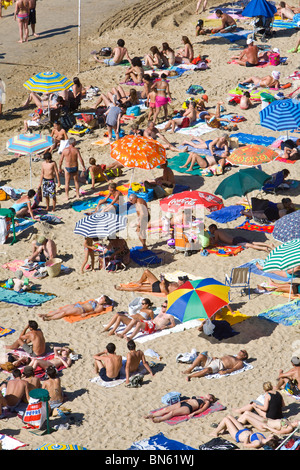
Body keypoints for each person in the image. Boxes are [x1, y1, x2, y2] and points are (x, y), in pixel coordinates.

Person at [210, 414, 279, 449]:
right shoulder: (264, 437)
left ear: (270, 440)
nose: (272, 436)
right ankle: (223, 428)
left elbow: (245, 445)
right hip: (244, 430)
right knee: (229, 416)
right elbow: (272, 434)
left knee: (226, 419)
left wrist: (247, 436)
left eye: (272, 437)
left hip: (238, 435)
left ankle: (215, 432)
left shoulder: (258, 443)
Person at [182, 349, 249, 381]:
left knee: (207, 370)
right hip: (215, 360)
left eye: (243, 352)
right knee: (201, 356)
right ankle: (189, 370)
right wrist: (216, 357)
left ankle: (190, 376)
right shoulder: (233, 356)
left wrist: (225, 372)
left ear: (244, 356)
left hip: (219, 365)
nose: (241, 351)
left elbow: (234, 369)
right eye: (241, 350)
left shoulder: (240, 362)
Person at [145, 394, 216, 422]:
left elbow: (202, 409)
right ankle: (152, 415)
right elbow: (188, 399)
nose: (208, 395)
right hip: (184, 403)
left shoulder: (207, 402)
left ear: (211, 399)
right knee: (166, 409)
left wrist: (193, 413)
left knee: (172, 413)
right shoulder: (199, 397)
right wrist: (181, 401)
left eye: (210, 395)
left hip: (189, 407)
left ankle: (159, 419)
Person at [38, 295, 113, 321]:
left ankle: (49, 318)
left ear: (104, 302)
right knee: (60, 309)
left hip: (81, 310)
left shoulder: (100, 307)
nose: (100, 298)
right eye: (101, 297)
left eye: (102, 299)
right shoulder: (96, 301)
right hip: (78, 305)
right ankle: (47, 314)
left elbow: (94, 312)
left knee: (64, 313)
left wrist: (86, 314)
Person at [208, 223, 275, 252]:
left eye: (210, 229)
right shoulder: (221, 230)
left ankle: (264, 248)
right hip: (236, 238)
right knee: (252, 242)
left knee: (251, 245)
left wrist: (211, 240)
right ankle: (268, 245)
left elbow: (216, 241)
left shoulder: (216, 232)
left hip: (235, 241)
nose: (210, 231)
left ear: (213, 228)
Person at [115, 270, 188, 294]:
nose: (179, 280)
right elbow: (168, 282)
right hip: (159, 283)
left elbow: (167, 293)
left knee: (139, 288)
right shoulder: (176, 283)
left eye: (180, 280)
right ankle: (139, 281)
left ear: (184, 282)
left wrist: (163, 285)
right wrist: (163, 279)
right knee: (146, 271)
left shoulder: (178, 289)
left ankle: (121, 289)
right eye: (179, 279)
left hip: (158, 288)